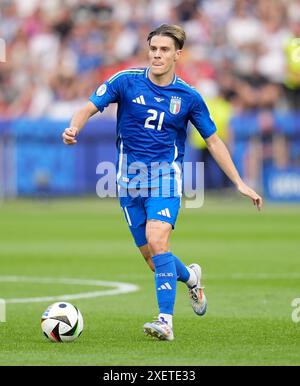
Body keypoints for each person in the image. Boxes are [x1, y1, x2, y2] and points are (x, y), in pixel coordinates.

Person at [62, 24, 263, 341]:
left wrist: (239, 181)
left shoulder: (188, 97)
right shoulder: (126, 81)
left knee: (158, 241)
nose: (157, 54)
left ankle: (165, 321)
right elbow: (87, 107)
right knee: (154, 259)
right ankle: (191, 277)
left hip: (166, 179)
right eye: (153, 48)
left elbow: (212, 141)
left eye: (164, 50)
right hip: (128, 182)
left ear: (177, 55)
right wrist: (73, 129)